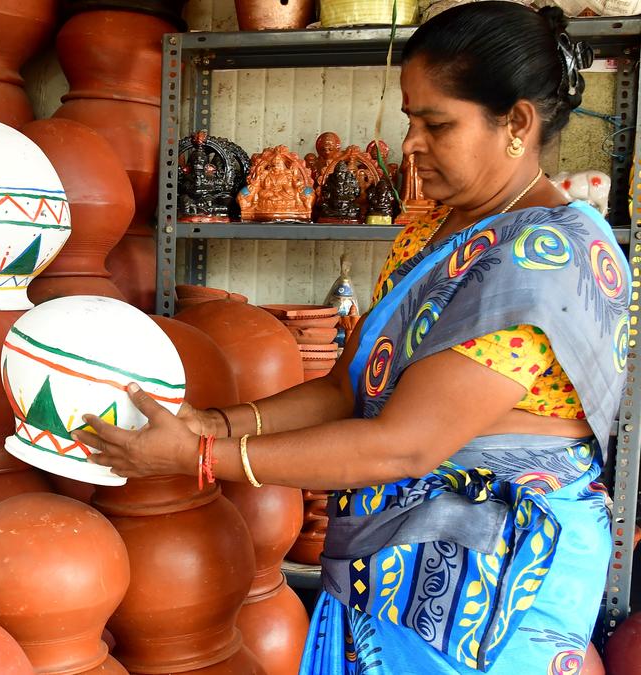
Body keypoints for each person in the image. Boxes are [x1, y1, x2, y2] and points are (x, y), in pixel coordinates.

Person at [72, 3, 626, 673]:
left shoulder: (549, 256)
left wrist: (198, 456)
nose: (413, 143)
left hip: (493, 596)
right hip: (387, 569)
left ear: (516, 124)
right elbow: (348, 387)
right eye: (410, 119)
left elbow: (403, 444)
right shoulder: (432, 232)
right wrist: (212, 422)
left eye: (437, 123)